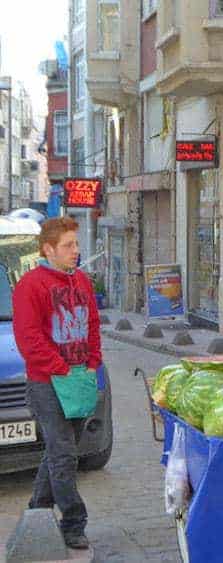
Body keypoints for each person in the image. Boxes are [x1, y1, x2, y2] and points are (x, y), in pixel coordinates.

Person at [12, 217, 102, 550]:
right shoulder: (31, 285)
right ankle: (74, 522)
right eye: (68, 245)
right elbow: (29, 339)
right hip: (47, 383)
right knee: (63, 454)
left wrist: (92, 364)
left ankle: (37, 511)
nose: (76, 251)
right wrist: (60, 368)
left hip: (79, 379)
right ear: (48, 249)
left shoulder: (81, 281)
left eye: (76, 244)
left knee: (59, 453)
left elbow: (92, 324)